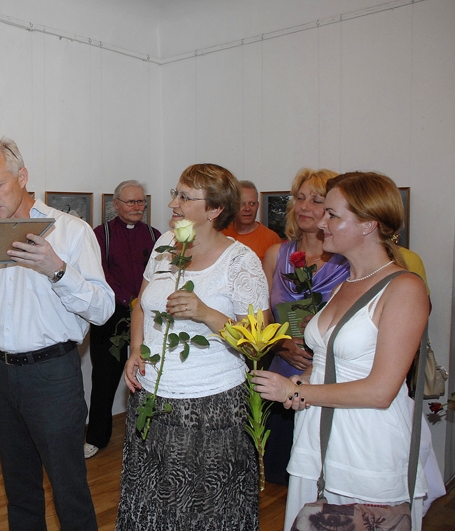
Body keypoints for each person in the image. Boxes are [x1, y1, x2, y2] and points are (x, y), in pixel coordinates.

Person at [252, 171, 431, 531]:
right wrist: (304, 377)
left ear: (368, 224)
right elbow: (337, 362)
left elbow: (382, 391)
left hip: (365, 443)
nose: (322, 222)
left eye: (332, 214)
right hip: (319, 436)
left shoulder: (403, 288)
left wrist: (296, 389)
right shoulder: (347, 281)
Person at [0, 137, 114, 531]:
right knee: (19, 489)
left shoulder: (70, 231)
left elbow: (104, 308)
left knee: (68, 488)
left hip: (53, 375)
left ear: (22, 177)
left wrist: (58, 270)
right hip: (1, 373)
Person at [118, 163, 268, 530]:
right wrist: (135, 349)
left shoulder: (241, 262)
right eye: (176, 192)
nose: (173, 203)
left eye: (185, 197)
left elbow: (256, 346)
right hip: (153, 400)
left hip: (211, 408)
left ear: (215, 210)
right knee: (152, 504)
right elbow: (142, 304)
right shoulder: (166, 245)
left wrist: (206, 314)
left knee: (205, 510)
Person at [260, 168, 350, 486]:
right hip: (283, 370)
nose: (304, 207)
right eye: (299, 198)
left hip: (329, 375)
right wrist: (281, 345)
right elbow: (261, 316)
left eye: (316, 200)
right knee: (279, 472)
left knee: (325, 472)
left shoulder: (347, 262)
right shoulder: (275, 254)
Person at [84, 180, 161, 460]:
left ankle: (146, 435)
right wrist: (129, 300)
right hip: (111, 314)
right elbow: (100, 273)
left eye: (141, 202)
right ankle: (96, 438)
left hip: (148, 315)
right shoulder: (99, 234)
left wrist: (141, 303)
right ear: (115, 205)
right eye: (131, 202)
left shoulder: (155, 236)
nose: (137, 207)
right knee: (104, 378)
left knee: (147, 376)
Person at [221, 180, 282, 261]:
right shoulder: (220, 234)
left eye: (252, 203)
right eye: (242, 204)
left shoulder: (272, 239)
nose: (247, 208)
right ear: (233, 205)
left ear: (258, 206)